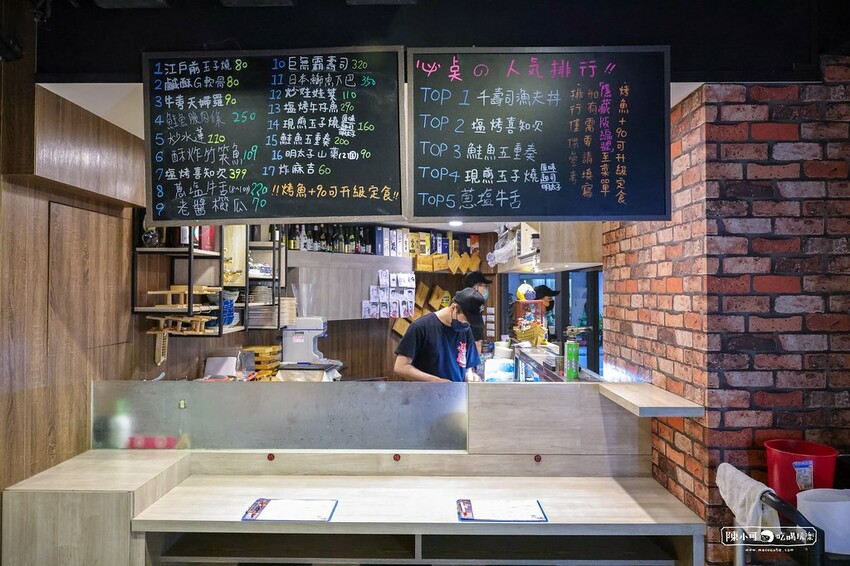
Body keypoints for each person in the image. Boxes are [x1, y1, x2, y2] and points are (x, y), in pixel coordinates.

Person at [394, 288, 484, 382]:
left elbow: (467, 368)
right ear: (454, 308)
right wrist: (436, 381)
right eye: (466, 319)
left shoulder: (465, 329)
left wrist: (471, 377)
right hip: (428, 390)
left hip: (457, 390)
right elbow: (401, 367)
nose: (467, 324)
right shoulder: (421, 327)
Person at [463, 271, 492, 350]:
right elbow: (476, 340)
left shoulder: (473, 303)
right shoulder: (471, 305)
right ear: (476, 288)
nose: (486, 289)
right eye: (485, 286)